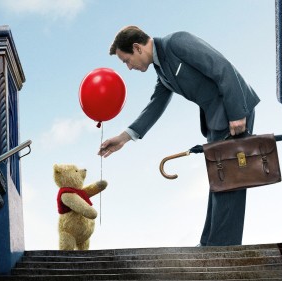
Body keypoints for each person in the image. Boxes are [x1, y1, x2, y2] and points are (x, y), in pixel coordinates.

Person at [98, 26, 260, 246]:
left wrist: (237, 112)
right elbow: (155, 105)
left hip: (232, 112)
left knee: (230, 181)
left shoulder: (177, 42)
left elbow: (221, 66)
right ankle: (210, 244)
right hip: (216, 120)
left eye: (126, 60)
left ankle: (223, 249)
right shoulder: (161, 70)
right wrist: (124, 137)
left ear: (137, 48)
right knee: (219, 180)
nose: (128, 67)